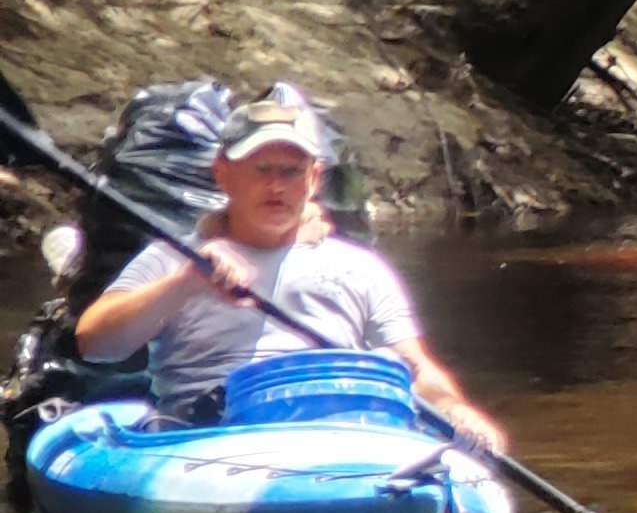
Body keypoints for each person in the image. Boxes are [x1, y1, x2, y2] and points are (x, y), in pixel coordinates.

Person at [73, 88, 512, 450]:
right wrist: (185, 285)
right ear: (223, 174)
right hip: (207, 440)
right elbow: (95, 343)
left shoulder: (360, 267)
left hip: (339, 436)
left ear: (315, 178)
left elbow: (417, 368)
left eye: (291, 171)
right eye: (261, 170)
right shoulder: (176, 259)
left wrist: (455, 408)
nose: (276, 187)